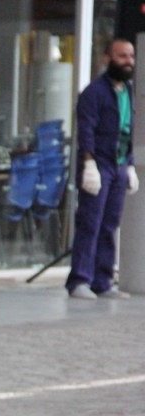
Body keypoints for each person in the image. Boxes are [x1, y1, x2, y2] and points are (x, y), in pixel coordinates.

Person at [66, 38, 139, 299]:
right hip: (99, 164)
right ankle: (79, 280)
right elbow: (86, 130)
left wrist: (129, 165)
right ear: (107, 59)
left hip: (119, 164)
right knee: (90, 223)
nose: (128, 62)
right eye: (122, 56)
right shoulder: (94, 93)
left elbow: (128, 129)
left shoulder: (129, 91)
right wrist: (88, 164)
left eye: (131, 56)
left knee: (110, 225)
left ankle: (103, 281)